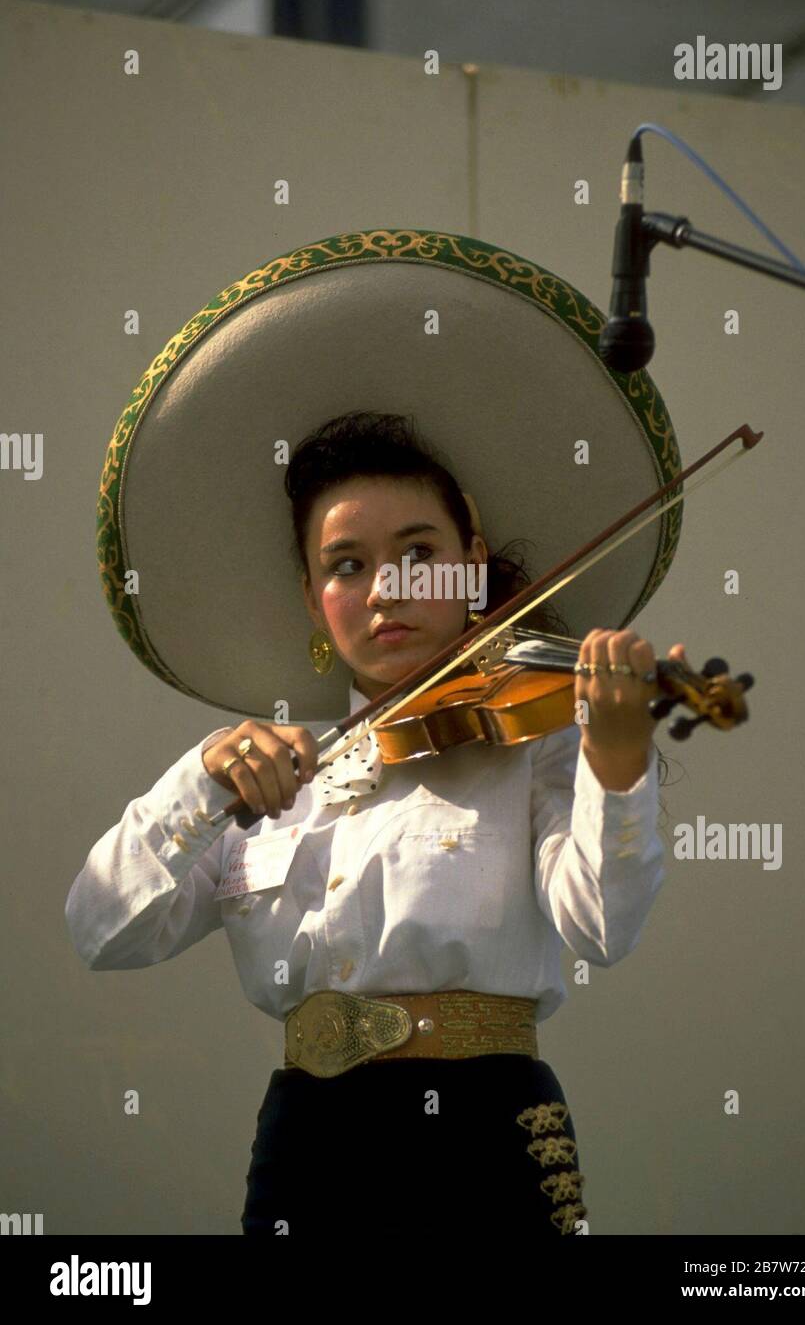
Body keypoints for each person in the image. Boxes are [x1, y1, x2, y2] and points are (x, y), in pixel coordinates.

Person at [67, 408, 687, 1244]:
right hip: (306, 1148)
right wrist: (200, 783)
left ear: (472, 568)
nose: (387, 590)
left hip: (485, 1143)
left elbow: (602, 925)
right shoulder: (262, 772)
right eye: (347, 565)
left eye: (421, 553)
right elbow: (101, 930)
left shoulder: (533, 745)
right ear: (313, 600)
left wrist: (615, 759)